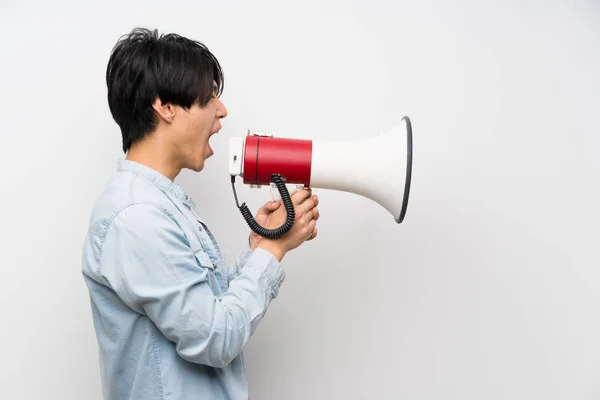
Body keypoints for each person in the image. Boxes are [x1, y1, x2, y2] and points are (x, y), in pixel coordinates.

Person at [81, 27, 320, 400]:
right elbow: (215, 336)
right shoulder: (137, 217)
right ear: (166, 106)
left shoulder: (159, 206)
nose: (222, 111)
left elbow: (204, 307)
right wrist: (273, 254)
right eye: (210, 96)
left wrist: (260, 246)